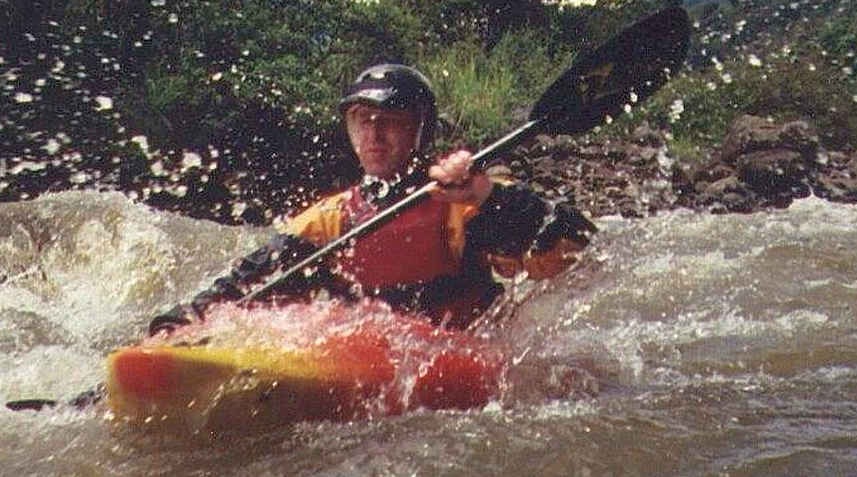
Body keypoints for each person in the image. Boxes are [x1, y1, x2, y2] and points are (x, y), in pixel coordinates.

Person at [151, 63, 596, 333]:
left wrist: (483, 192)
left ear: (420, 131)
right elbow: (246, 284)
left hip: (462, 354)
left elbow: (571, 251)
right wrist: (181, 324)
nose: (373, 134)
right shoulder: (329, 220)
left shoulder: (462, 202)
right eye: (362, 120)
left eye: (391, 121)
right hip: (377, 359)